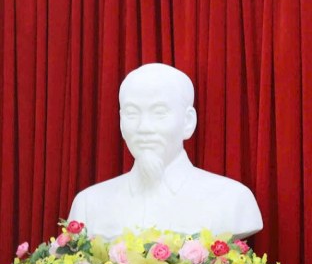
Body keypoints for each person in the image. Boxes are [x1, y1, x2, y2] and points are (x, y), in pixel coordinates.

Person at [67, 63, 262, 239]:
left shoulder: (232, 200)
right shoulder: (88, 205)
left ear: (188, 122)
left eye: (159, 113)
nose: (143, 128)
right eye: (131, 113)